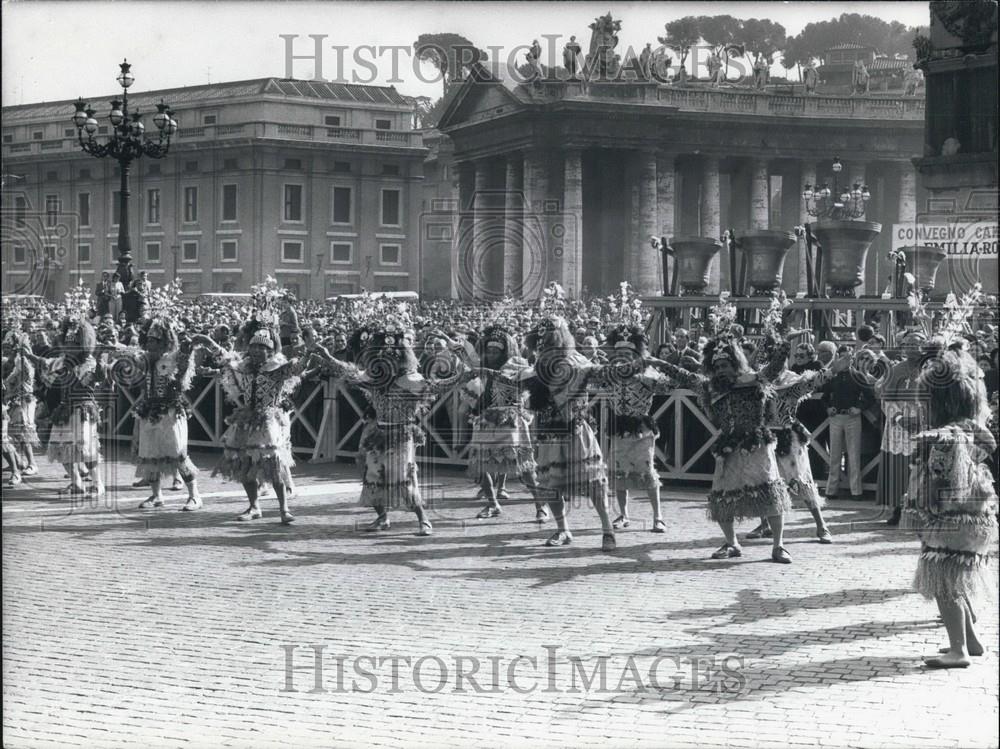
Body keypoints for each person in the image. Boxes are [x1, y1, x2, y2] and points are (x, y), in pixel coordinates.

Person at [651, 322, 793, 563]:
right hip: (727, 447)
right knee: (721, 496)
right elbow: (684, 376)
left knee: (771, 494)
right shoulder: (710, 386)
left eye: (726, 365)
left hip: (757, 445)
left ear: (736, 364)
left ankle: (778, 546)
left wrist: (784, 338)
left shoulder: (754, 380)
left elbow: (775, 366)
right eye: (716, 366)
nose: (721, 370)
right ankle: (731, 543)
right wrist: (658, 362)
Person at [904, 342, 997, 669]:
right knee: (955, 580)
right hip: (978, 519)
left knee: (944, 582)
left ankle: (958, 650)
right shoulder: (973, 427)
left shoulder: (945, 437)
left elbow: (942, 484)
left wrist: (924, 509)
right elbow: (987, 448)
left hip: (952, 522)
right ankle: (970, 641)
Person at [193, 317, 316, 524]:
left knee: (273, 462)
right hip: (246, 419)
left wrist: (310, 353)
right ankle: (254, 506)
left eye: (261, 348)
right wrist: (208, 342)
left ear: (269, 351)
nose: (257, 351)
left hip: (269, 421)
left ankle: (283, 508)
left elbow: (297, 370)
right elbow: (225, 358)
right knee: (245, 462)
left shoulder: (277, 369)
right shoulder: (245, 367)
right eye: (254, 347)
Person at [524, 314, 616, 551]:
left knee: (593, 481)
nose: (545, 342)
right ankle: (563, 528)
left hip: (575, 429)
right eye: (541, 338)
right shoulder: (537, 363)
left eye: (550, 337)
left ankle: (607, 530)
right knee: (550, 483)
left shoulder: (577, 359)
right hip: (548, 431)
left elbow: (599, 375)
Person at [105, 317, 202, 511]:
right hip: (149, 411)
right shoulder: (145, 359)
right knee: (149, 454)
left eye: (154, 341)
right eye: (148, 341)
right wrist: (111, 348)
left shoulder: (172, 357)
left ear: (164, 342)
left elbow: (184, 360)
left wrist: (189, 345)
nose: (149, 345)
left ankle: (195, 496)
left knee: (178, 454)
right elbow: (128, 353)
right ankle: (157, 495)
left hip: (171, 411)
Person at [458, 324, 547, 521]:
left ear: (504, 351)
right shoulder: (481, 367)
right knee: (481, 465)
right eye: (488, 350)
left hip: (511, 423)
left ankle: (541, 506)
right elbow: (470, 364)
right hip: (486, 420)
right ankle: (492, 504)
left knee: (524, 468)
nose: (490, 354)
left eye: (495, 351)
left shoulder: (516, 364)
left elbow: (532, 374)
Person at [20, 316, 105, 496]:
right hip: (65, 409)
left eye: (72, 345)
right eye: (66, 344)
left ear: (82, 345)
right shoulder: (63, 361)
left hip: (82, 410)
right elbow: (45, 363)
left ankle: (98, 484)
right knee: (60, 448)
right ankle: (77, 483)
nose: (68, 348)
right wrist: (29, 355)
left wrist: (100, 372)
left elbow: (90, 379)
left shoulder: (88, 362)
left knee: (86, 451)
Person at [600, 323, 672, 533]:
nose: (623, 356)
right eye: (619, 352)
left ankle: (658, 516)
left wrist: (648, 374)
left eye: (628, 353)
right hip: (619, 428)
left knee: (647, 472)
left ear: (636, 353)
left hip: (642, 430)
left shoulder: (647, 373)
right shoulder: (610, 373)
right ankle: (623, 514)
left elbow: (668, 385)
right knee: (618, 473)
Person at [877, 329, 926, 525]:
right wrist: (900, 418)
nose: (912, 348)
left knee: (923, 467)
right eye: (908, 344)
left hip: (925, 424)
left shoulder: (933, 368)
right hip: (899, 426)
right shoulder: (895, 370)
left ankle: (922, 510)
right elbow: (886, 400)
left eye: (916, 344)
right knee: (898, 467)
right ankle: (897, 508)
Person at [821, 344, 876, 499]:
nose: (846, 360)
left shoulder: (858, 376)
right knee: (834, 455)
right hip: (836, 417)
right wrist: (828, 408)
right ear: (838, 357)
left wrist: (859, 408)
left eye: (848, 357)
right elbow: (824, 396)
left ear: (852, 358)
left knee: (854, 454)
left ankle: (856, 491)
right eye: (843, 356)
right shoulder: (833, 376)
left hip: (852, 418)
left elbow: (869, 396)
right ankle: (831, 490)